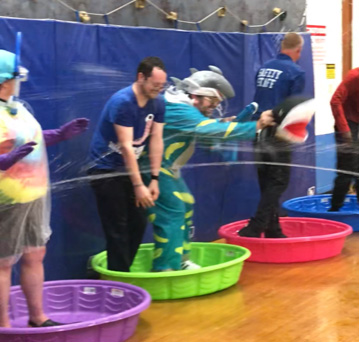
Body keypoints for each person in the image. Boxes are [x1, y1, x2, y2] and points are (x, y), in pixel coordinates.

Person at [141, 66, 274, 271]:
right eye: (212, 102)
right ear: (196, 96)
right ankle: (165, 268)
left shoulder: (182, 106)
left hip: (165, 168)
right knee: (173, 212)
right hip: (153, 169)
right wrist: (256, 126)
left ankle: (180, 261)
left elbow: (204, 126)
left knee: (185, 204)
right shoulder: (179, 108)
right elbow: (206, 129)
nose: (215, 106)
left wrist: (222, 123)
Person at [0, 48, 89, 328]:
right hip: (7, 201)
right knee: (3, 263)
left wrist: (58, 135)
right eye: (17, 77)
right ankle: (3, 326)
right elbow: (9, 153)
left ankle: (37, 317)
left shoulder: (16, 109)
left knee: (35, 254)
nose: (19, 82)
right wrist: (4, 161)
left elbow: (29, 141)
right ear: (3, 80)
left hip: (35, 195)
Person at [88, 57, 166, 272]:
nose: (158, 90)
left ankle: (121, 272)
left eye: (162, 86)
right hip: (106, 170)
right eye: (155, 85)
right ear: (141, 77)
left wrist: (155, 178)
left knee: (139, 222)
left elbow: (157, 139)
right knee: (117, 227)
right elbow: (126, 147)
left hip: (130, 169)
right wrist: (139, 185)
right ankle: (118, 281)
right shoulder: (122, 102)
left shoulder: (158, 102)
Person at [238, 32, 306, 238]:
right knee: (278, 182)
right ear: (298, 51)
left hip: (258, 129)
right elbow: (292, 108)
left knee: (267, 181)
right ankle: (256, 225)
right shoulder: (296, 72)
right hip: (277, 133)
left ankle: (272, 228)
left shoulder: (264, 68)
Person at [329, 68, 359, 211]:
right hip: (347, 123)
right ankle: (335, 209)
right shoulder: (354, 76)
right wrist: (344, 130)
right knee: (346, 169)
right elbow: (335, 101)